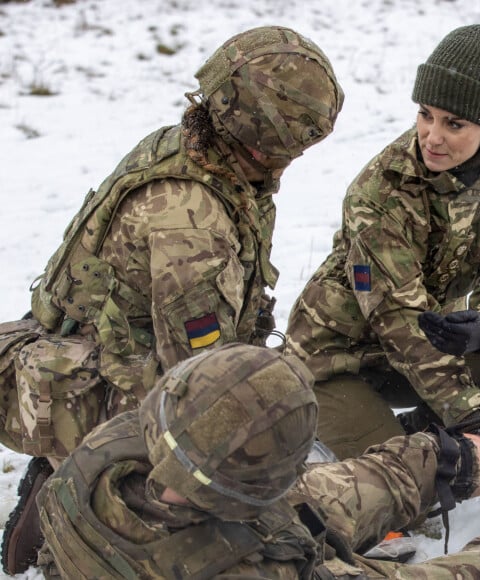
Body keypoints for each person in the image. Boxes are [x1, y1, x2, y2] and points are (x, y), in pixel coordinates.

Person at [0, 26, 344, 575]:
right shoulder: (190, 223)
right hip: (82, 391)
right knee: (214, 460)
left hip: (90, 358)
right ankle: (72, 504)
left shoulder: (195, 146)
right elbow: (201, 387)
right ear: (265, 141)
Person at [33, 343, 480, 579]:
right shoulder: (261, 570)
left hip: (198, 520)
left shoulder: (114, 446)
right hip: (230, 551)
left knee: (418, 466)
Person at [284, 23, 480, 460]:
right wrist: (465, 414)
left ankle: (414, 434)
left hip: (411, 362)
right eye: (425, 114)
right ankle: (333, 428)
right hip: (331, 361)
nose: (432, 135)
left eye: (454, 123)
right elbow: (398, 315)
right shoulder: (380, 191)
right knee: (405, 479)